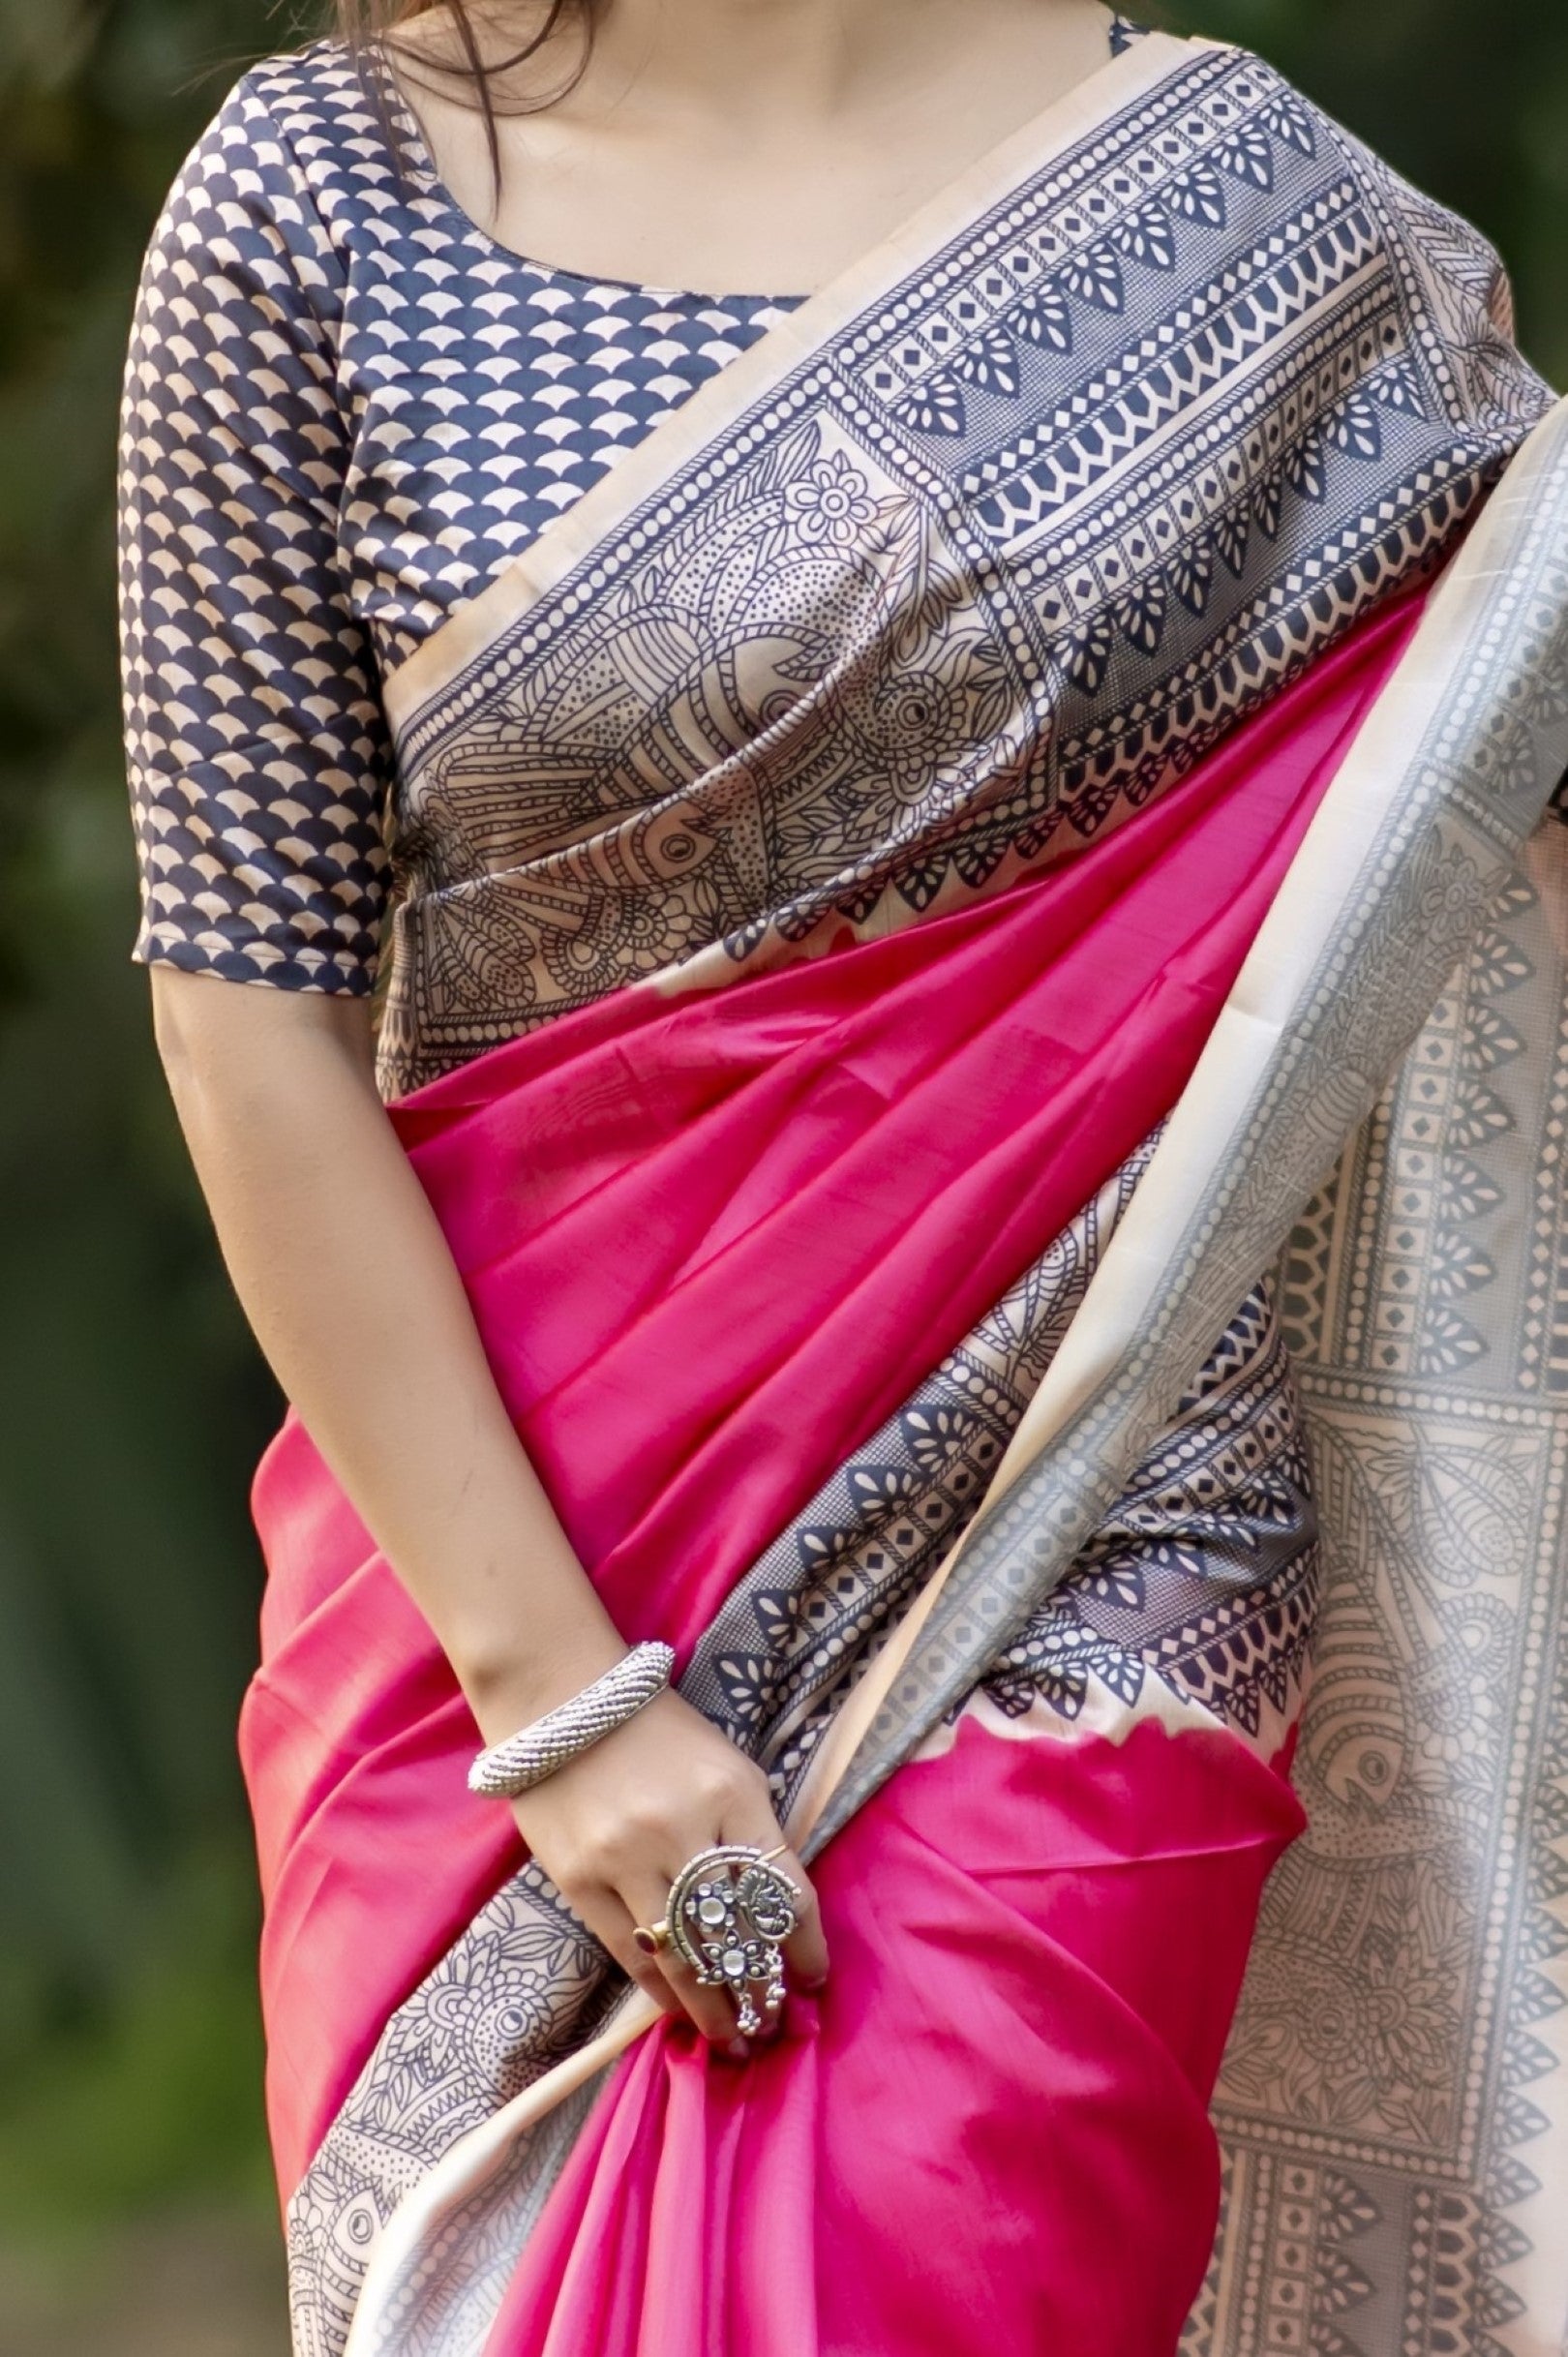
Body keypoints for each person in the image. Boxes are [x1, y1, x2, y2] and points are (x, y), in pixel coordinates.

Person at [118, 3, 1568, 2350]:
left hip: (1089, 1511)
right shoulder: (318, 203)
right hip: (501, 1553)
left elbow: (1494, 750)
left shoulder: (1229, 199)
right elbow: (242, 997)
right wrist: (560, 1701)